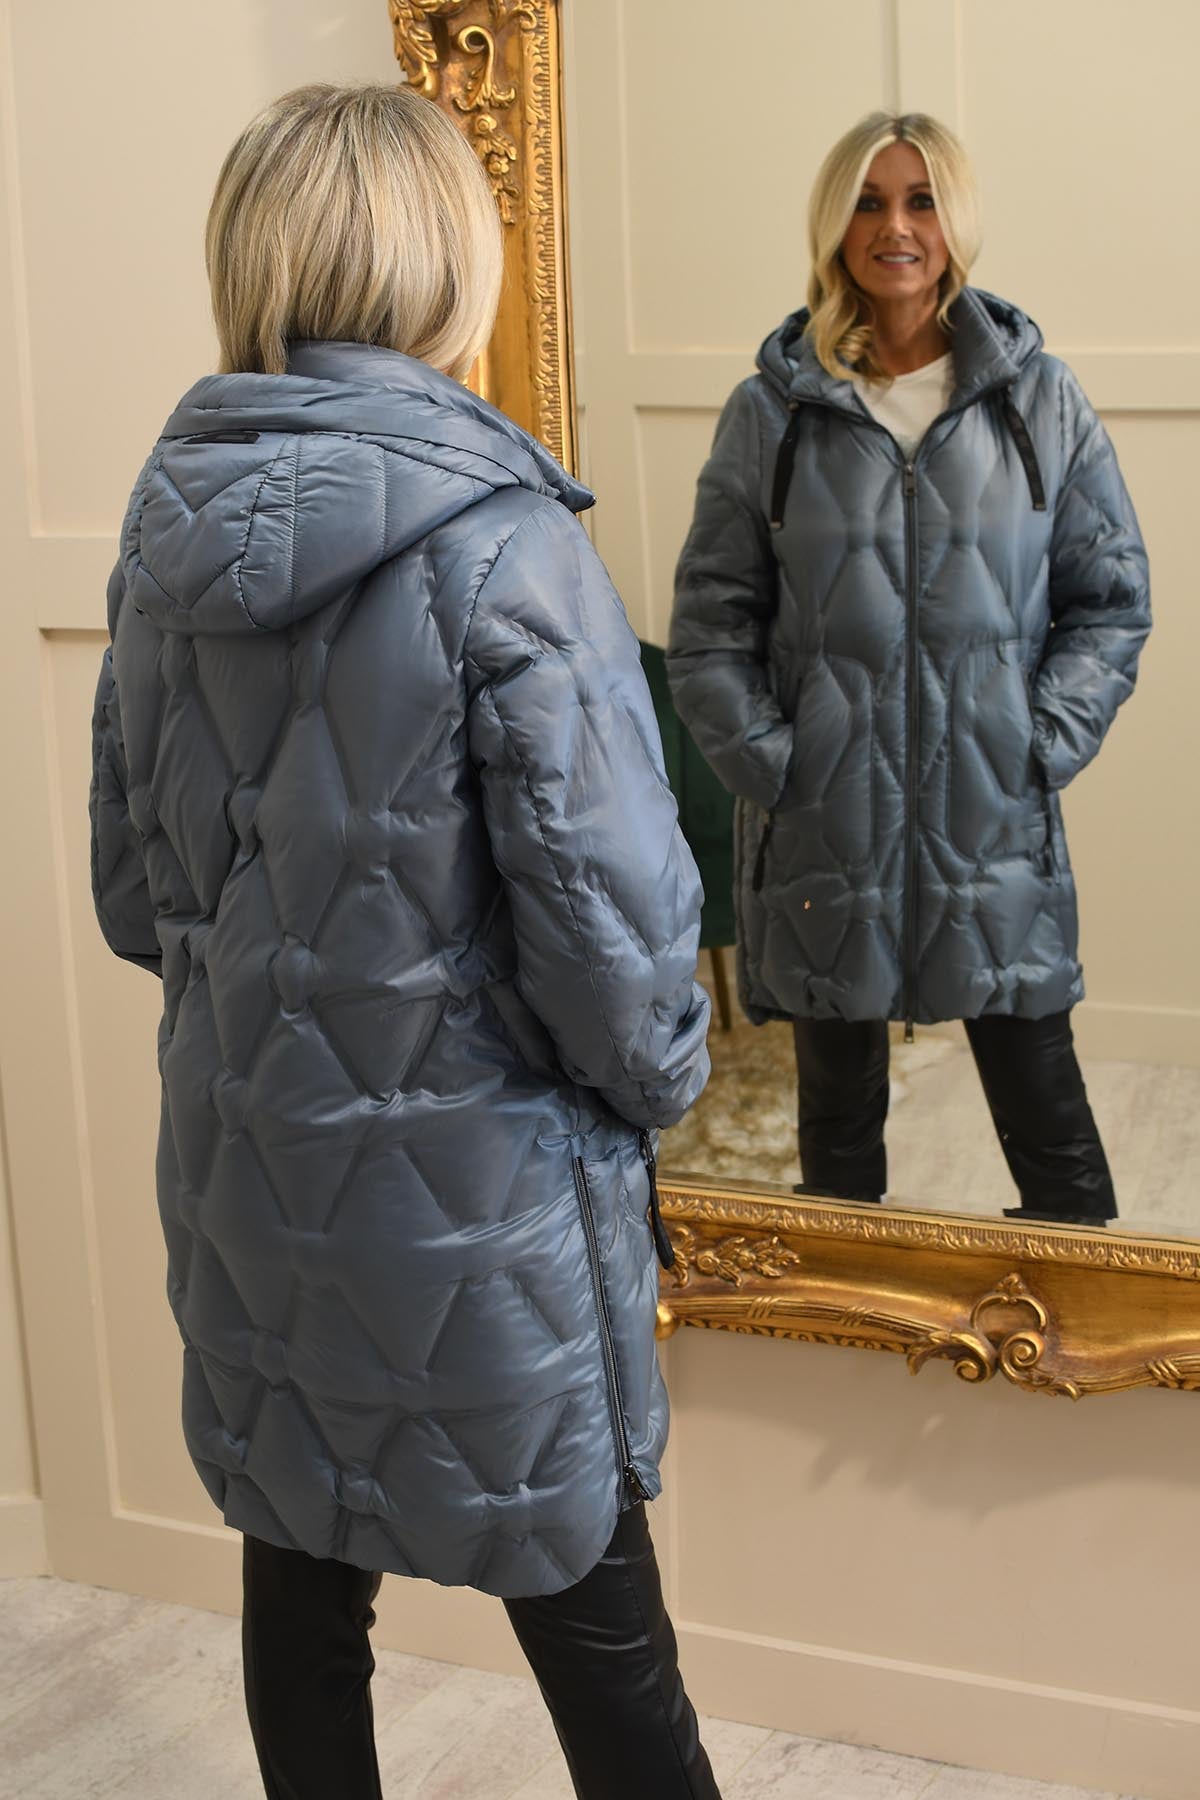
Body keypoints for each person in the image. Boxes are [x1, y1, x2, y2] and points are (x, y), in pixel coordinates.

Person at [89, 83, 718, 1800]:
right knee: (609, 1652)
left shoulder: (166, 539)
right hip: (478, 1219)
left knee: (302, 1601)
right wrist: (663, 1082)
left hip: (250, 1185)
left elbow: (137, 899)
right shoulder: (507, 544)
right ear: (445, 260)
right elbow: (618, 952)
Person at [668, 112, 1150, 1227]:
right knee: (838, 1144)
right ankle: (847, 1337)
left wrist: (1039, 740)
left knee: (1054, 1139)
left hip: (993, 822)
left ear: (955, 221)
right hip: (825, 826)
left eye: (921, 200)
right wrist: (779, 764)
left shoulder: (1040, 402)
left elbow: (1110, 600)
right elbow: (710, 626)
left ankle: (1079, 1339)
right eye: (871, 202)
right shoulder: (772, 412)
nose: (896, 227)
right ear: (836, 226)